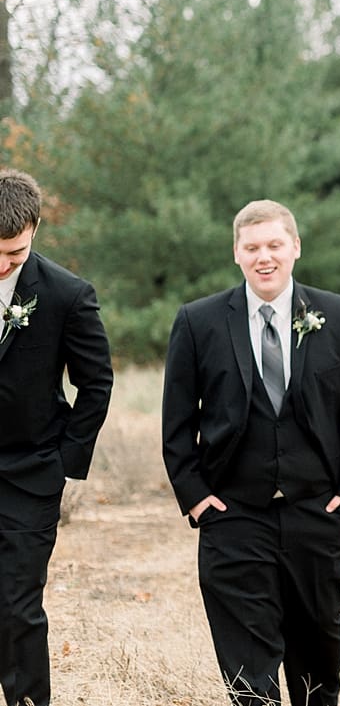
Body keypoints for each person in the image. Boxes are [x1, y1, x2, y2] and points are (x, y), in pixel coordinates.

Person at [162, 200, 340, 706]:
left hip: (318, 514)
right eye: (252, 247)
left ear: (295, 248)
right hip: (233, 516)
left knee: (319, 662)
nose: (265, 257)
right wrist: (196, 498)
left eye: (275, 245)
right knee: (248, 672)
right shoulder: (199, 322)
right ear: (236, 254)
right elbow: (176, 422)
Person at [0, 169, 113, 706]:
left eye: (14, 254)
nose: (1, 265)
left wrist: (63, 460)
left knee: (19, 604)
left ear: (35, 229)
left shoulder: (68, 295)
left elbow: (96, 383)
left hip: (29, 476)